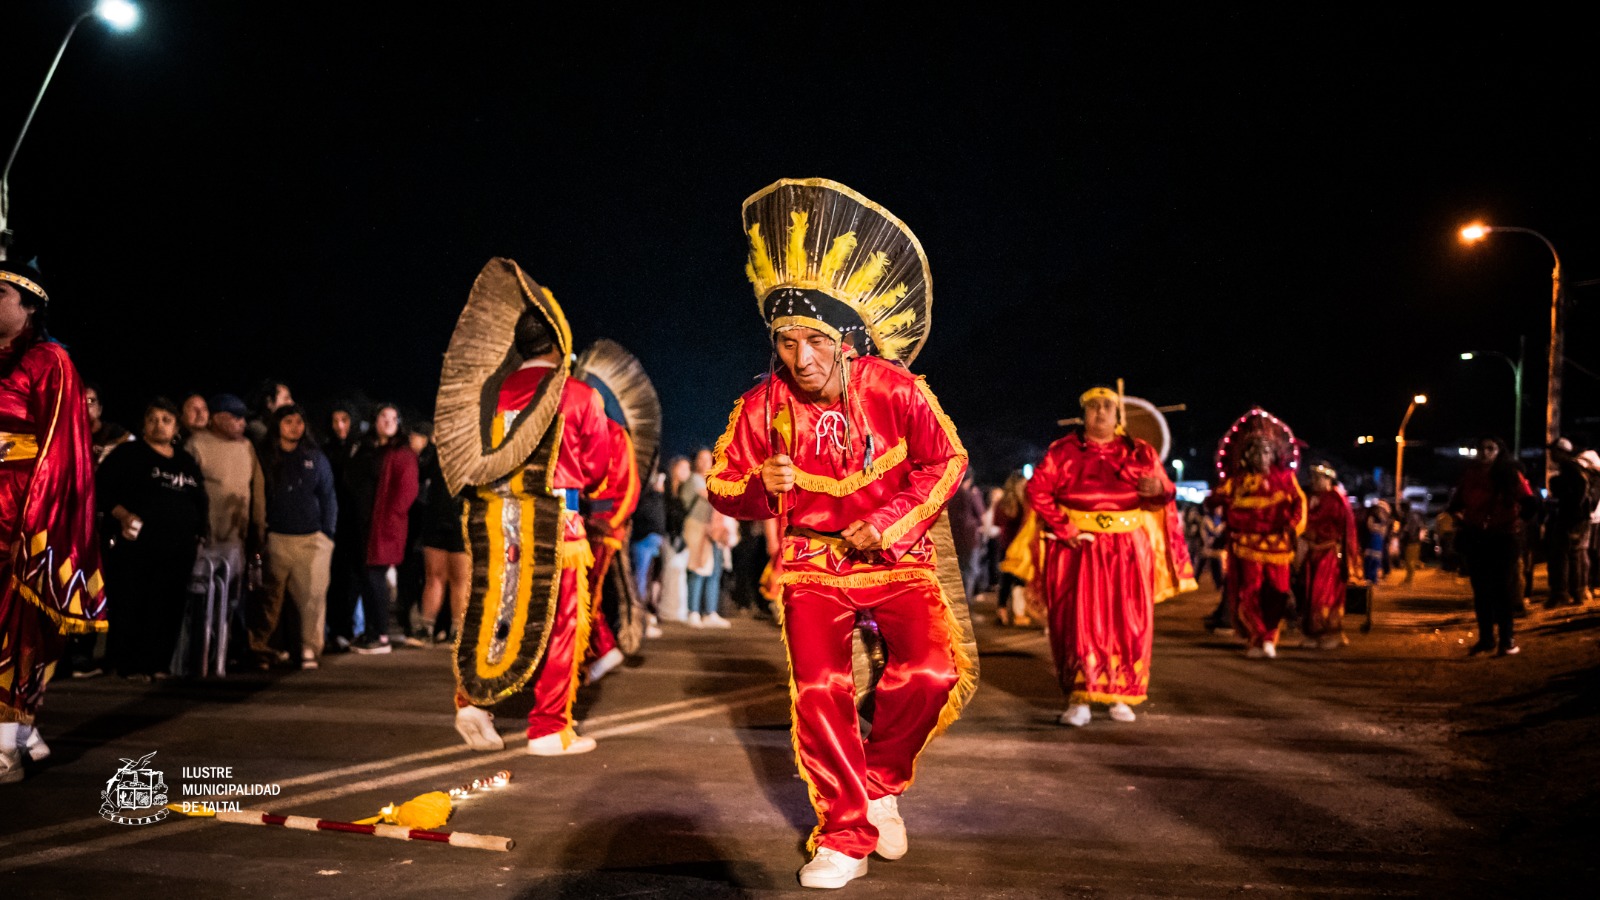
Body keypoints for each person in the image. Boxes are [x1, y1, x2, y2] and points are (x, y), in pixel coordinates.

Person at [706, 178, 976, 888]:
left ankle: (880, 782)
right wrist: (765, 486)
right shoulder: (761, 407)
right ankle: (844, 832)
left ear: (847, 342)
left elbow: (947, 461)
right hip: (809, 567)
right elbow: (722, 488)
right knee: (820, 689)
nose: (801, 357)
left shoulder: (896, 390)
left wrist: (886, 522)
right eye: (787, 341)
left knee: (932, 672)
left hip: (894, 560)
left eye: (816, 340)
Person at [437, 258, 613, 757]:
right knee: (561, 624)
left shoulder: (493, 393)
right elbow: (598, 463)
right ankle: (548, 728)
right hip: (559, 522)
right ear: (559, 345)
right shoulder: (577, 394)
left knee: (493, 608)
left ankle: (471, 701)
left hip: (498, 518)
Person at [0, 258, 110, 783]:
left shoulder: (51, 362)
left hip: (18, 510)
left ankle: (7, 744)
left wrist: (35, 525)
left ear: (29, 305)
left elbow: (63, 450)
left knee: (15, 627)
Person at [1026, 387, 1183, 727]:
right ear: (1082, 414)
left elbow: (1166, 490)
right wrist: (1064, 529)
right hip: (1078, 549)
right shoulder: (1062, 452)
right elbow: (1037, 490)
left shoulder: (1140, 452)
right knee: (1078, 622)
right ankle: (1079, 697)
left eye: (1107, 407)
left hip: (1127, 550)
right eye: (1093, 407)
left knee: (1127, 622)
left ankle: (1119, 694)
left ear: (1118, 414)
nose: (1100, 412)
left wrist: (1161, 489)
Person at [96, 398, 208, 680]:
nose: (160, 425)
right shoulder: (128, 454)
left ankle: (158, 664)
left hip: (178, 548)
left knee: (168, 606)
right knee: (133, 604)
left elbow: (200, 500)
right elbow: (101, 491)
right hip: (138, 548)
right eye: (153, 419)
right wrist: (122, 516)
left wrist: (201, 534)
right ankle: (128, 666)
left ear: (176, 427)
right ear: (144, 425)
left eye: (166, 420)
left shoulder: (185, 461)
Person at [1204, 408, 1305, 659]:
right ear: (1247, 455)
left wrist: (1292, 526)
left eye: (1265, 451)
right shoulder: (1237, 482)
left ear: (1273, 454)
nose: (1261, 456)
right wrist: (1218, 498)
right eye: (1255, 451)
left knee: (1278, 592)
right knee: (1250, 592)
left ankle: (1270, 635)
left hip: (1277, 546)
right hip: (1246, 545)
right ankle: (1257, 637)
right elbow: (1213, 501)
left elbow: (1298, 505)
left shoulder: (1285, 479)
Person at [249, 404, 337, 670]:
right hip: (276, 537)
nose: (294, 427)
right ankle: (263, 651)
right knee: (270, 599)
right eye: (288, 421)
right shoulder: (264, 455)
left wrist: (327, 533)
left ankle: (309, 648)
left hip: (312, 538)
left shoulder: (314, 457)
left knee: (312, 597)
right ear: (278, 425)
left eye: (299, 422)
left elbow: (328, 496)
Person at [184, 392, 267, 661]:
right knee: (199, 598)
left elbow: (256, 491)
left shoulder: (247, 447)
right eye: (235, 417)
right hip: (205, 539)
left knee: (232, 599)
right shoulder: (196, 444)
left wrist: (257, 529)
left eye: (243, 418)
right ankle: (197, 652)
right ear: (217, 418)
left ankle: (228, 650)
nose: (241, 423)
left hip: (236, 539)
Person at [1448, 436, 1534, 656]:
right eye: (1482, 448)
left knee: (1502, 590)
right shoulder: (1470, 475)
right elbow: (1456, 504)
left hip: (1503, 538)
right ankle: (1486, 638)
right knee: (1481, 591)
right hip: (1476, 538)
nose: (1485, 452)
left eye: (1491, 448)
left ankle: (1507, 639)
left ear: (1499, 451)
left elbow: (1530, 503)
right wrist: (1463, 519)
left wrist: (1516, 524)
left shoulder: (1510, 474)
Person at [345, 403, 418, 654]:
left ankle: (381, 635)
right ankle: (371, 631)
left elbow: (407, 491)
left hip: (383, 526)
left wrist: (392, 517)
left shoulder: (402, 453)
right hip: (362, 524)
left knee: (375, 577)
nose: (388, 421)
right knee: (366, 577)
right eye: (383, 416)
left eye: (393, 417)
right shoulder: (367, 448)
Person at [1298, 463, 1360, 649]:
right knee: (1310, 595)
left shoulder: (1335, 500)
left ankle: (1330, 633)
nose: (1314, 481)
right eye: (1313, 477)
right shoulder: (1310, 498)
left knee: (1323, 595)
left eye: (1319, 478)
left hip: (1329, 555)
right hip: (1313, 553)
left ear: (1328, 480)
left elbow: (1344, 529)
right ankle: (1313, 634)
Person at [681, 447, 731, 628]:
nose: (704, 462)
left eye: (707, 459)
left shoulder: (714, 481)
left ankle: (711, 612)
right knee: (697, 568)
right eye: (701, 459)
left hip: (714, 529)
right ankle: (693, 611)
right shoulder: (694, 480)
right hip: (697, 527)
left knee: (714, 570)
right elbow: (712, 496)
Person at [1542, 439, 1592, 608]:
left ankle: (1561, 594)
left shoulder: (1571, 469)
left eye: (1554, 451)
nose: (1551, 454)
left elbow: (1579, 492)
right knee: (1574, 555)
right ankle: (1576, 592)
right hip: (1577, 518)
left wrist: (1571, 511)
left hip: (1571, 519)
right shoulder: (1574, 468)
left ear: (1563, 452)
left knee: (1561, 555)